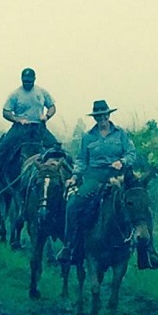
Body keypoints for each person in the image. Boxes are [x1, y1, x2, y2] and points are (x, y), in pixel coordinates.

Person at [57, 99, 137, 264]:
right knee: (73, 205)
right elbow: (81, 160)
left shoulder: (121, 134)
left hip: (118, 176)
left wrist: (122, 161)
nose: (102, 119)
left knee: (139, 202)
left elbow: (131, 153)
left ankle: (147, 250)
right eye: (98, 116)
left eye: (104, 115)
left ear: (108, 115)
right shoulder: (88, 137)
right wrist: (74, 176)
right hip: (94, 177)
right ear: (95, 118)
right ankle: (69, 246)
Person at [0, 68, 60, 188]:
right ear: (21, 79)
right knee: (3, 148)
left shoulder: (41, 92)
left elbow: (52, 107)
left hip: (38, 127)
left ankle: (64, 175)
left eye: (30, 81)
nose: (27, 83)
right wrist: (18, 119)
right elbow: (6, 112)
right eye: (25, 81)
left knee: (56, 147)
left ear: (34, 79)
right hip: (20, 127)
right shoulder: (15, 94)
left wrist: (46, 116)